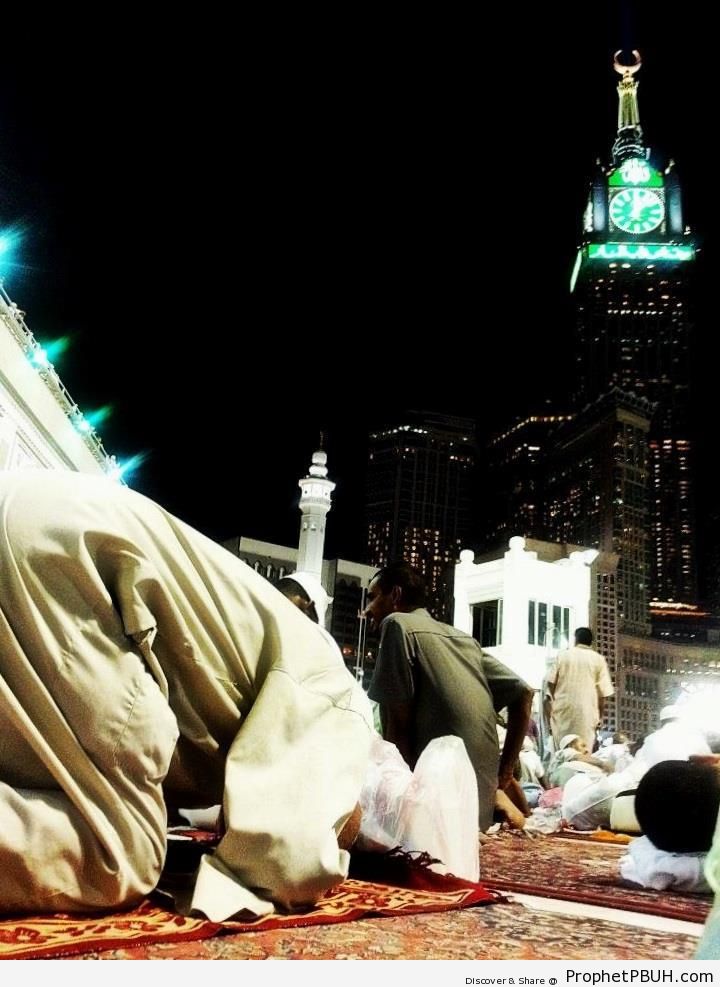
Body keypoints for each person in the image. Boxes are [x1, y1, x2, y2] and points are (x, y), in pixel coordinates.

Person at [0, 470, 373, 919]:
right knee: (119, 854)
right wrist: (319, 844)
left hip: (42, 519)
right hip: (61, 554)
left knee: (38, 774)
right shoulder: (341, 705)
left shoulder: (282, 644)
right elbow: (279, 860)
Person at [364, 561, 533, 832]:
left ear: (395, 595)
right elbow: (524, 693)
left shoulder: (395, 625)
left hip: (438, 812)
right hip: (479, 808)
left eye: (372, 598)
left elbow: (397, 730)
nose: (367, 610)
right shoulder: (464, 639)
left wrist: (400, 811)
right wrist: (505, 772)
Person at [545, 627, 614, 751]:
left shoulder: (563, 655)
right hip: (587, 714)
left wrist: (551, 710)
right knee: (583, 752)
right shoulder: (598, 660)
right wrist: (600, 717)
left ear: (575, 640)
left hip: (562, 712)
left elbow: (550, 684)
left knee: (562, 752)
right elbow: (602, 694)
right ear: (591, 642)